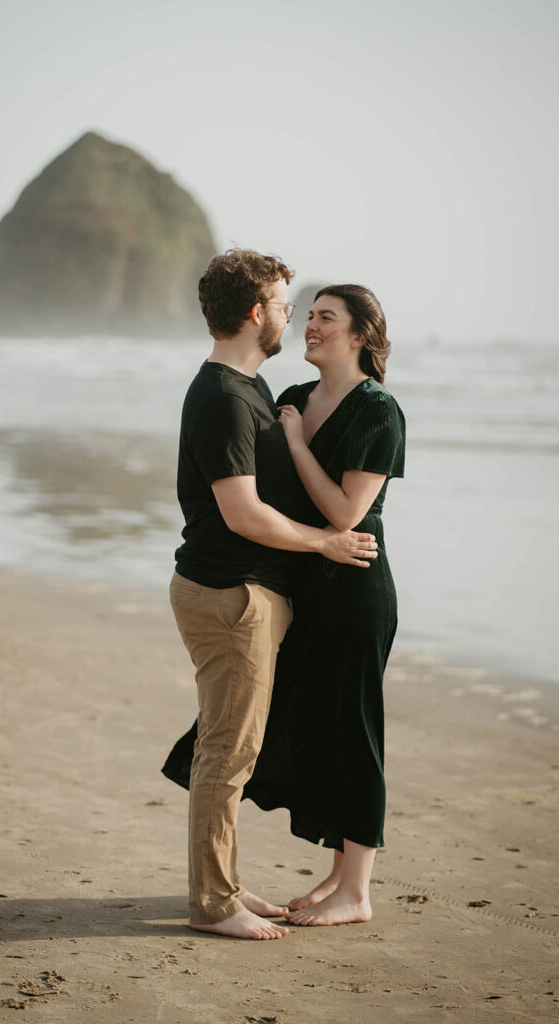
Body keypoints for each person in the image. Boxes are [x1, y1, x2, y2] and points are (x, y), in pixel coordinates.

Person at [165, 251, 378, 941]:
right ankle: (213, 901)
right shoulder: (227, 397)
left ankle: (222, 886)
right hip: (230, 595)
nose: (293, 316)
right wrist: (325, 543)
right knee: (226, 755)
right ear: (256, 313)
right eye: (287, 304)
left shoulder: (248, 387)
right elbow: (242, 514)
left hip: (242, 593)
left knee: (232, 751)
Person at [272, 283, 406, 926]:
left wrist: (297, 444)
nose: (312, 326)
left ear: (360, 336)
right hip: (303, 583)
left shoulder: (378, 410)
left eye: (327, 318)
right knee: (316, 726)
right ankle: (336, 872)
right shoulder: (294, 398)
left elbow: (348, 513)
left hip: (355, 587)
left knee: (354, 729)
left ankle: (358, 892)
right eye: (310, 316)